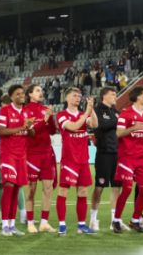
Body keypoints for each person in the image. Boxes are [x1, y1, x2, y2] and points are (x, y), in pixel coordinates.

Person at [55, 87, 97, 235]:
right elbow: (73, 127)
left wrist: (91, 109)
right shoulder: (61, 115)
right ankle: (61, 224)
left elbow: (95, 125)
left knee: (83, 191)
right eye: (74, 96)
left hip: (83, 160)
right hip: (69, 160)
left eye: (79, 96)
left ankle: (81, 225)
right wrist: (86, 113)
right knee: (64, 191)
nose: (77, 98)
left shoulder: (82, 114)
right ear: (66, 98)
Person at [111, 85, 143, 233]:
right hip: (127, 157)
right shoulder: (125, 113)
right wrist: (133, 128)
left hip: (141, 159)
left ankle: (135, 220)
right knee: (127, 188)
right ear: (139, 97)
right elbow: (118, 133)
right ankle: (116, 220)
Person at [0, 85, 32, 236]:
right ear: (11, 97)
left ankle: (12, 224)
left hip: (21, 155)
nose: (21, 96)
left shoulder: (27, 112)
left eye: (22, 93)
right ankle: (5, 224)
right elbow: (1, 131)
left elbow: (32, 133)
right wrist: (21, 127)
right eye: (18, 94)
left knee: (17, 188)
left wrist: (29, 127)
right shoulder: (5, 111)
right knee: (9, 186)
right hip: (8, 154)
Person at [22, 85, 57, 233]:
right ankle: (30, 222)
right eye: (37, 90)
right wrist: (46, 118)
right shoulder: (25, 111)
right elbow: (33, 132)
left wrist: (51, 118)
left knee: (48, 189)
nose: (41, 92)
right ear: (30, 94)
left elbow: (53, 131)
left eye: (41, 90)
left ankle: (44, 222)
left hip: (47, 153)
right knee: (31, 189)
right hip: (32, 154)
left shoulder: (44, 110)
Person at [90, 87, 120, 231]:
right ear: (104, 96)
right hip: (103, 153)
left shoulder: (115, 111)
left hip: (117, 153)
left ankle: (115, 221)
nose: (115, 96)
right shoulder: (97, 110)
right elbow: (100, 125)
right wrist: (117, 123)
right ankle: (93, 219)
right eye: (112, 94)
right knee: (99, 187)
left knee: (116, 187)